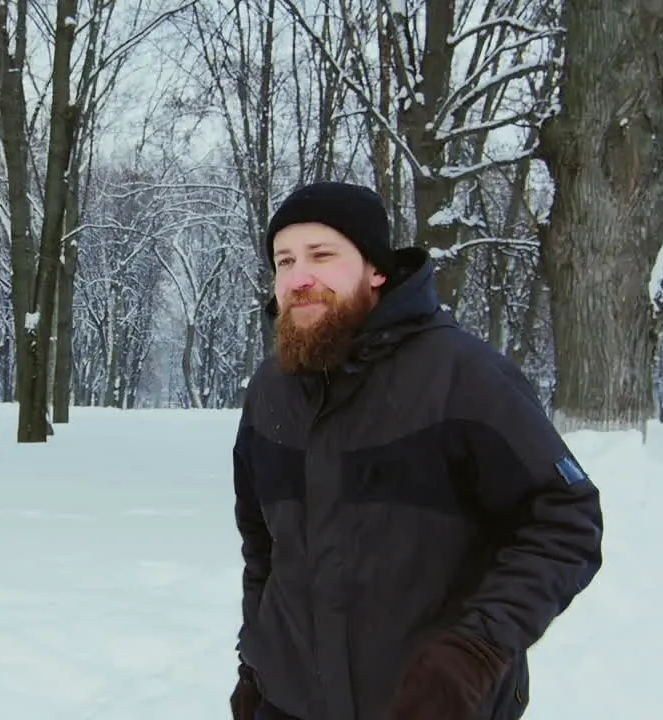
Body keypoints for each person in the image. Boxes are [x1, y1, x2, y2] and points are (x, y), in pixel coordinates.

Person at [228, 181, 604, 720]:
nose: (299, 278)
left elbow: (566, 519)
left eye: (322, 255)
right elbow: (263, 548)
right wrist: (255, 662)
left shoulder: (465, 379)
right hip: (290, 706)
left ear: (376, 269)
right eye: (284, 261)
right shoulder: (270, 391)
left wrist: (478, 649)